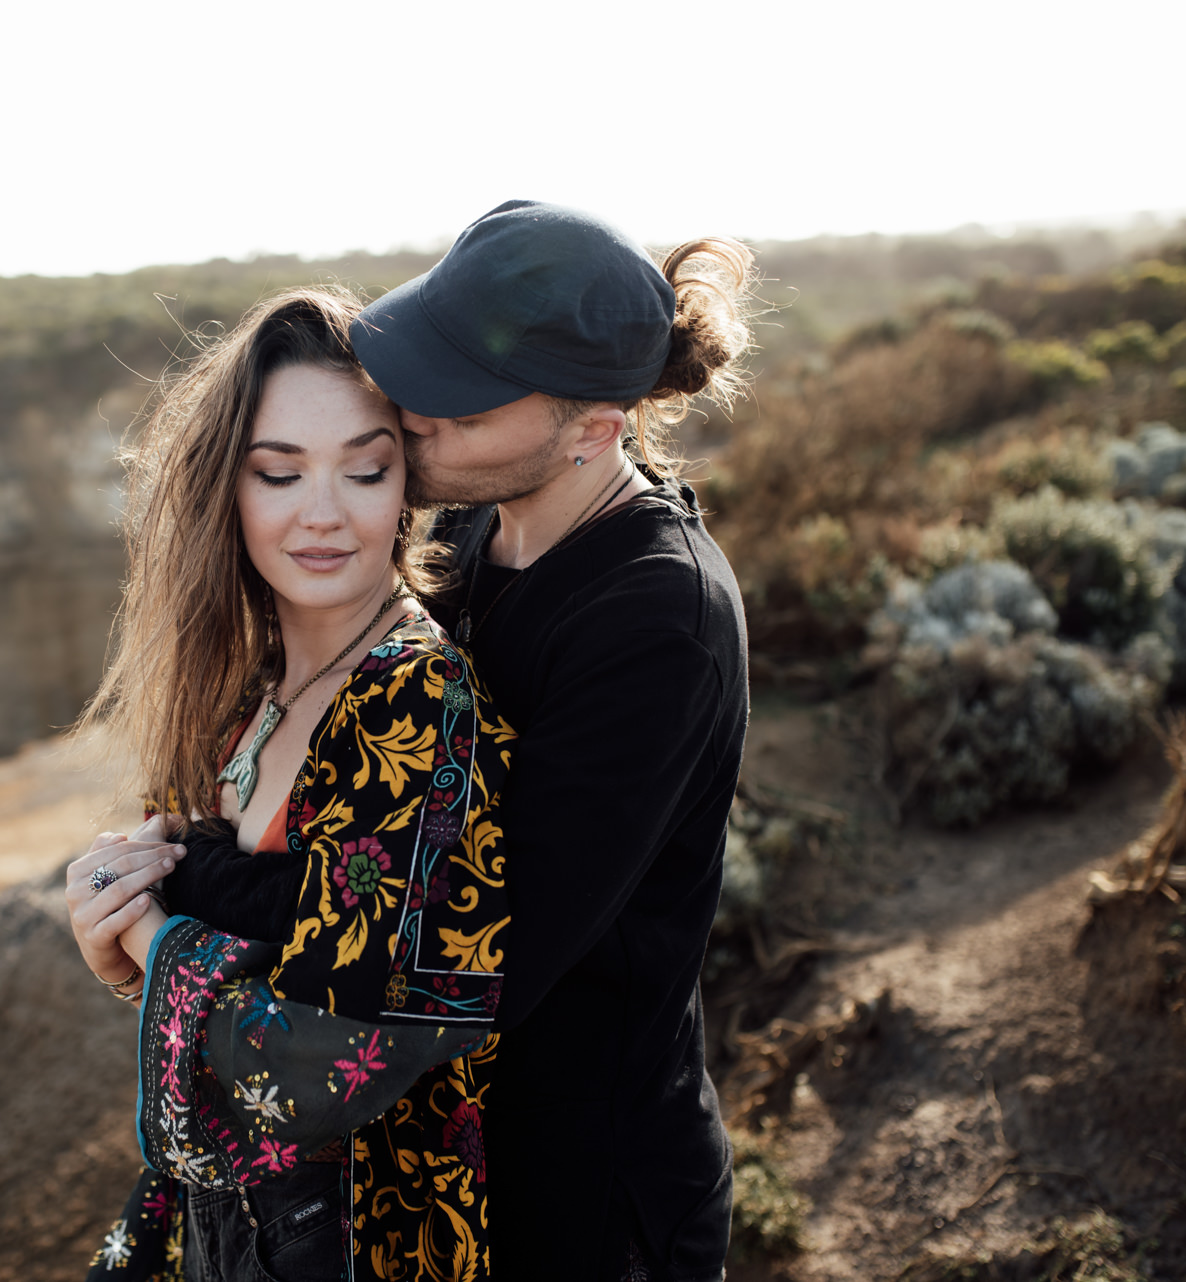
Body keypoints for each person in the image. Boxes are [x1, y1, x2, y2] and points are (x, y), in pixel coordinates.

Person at [165, 200, 756, 1281]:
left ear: (593, 427)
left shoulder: (658, 622)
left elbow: (467, 940)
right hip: (449, 1164)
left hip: (585, 1203)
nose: (416, 413)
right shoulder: (477, 520)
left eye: (463, 400)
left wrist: (191, 882)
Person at [65, 286, 518, 1281]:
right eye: (279, 473)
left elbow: (316, 1069)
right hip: (236, 1226)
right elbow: (209, 972)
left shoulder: (413, 697)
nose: (323, 513)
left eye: (365, 469)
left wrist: (144, 926)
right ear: (226, 485)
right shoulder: (242, 681)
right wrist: (121, 956)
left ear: (409, 485)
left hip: (368, 1236)